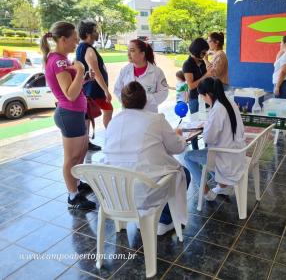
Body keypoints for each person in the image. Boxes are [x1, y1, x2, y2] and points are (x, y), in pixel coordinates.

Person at [104, 81, 190, 235]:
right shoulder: (155, 119)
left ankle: (139, 218)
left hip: (114, 191)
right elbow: (177, 147)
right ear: (145, 100)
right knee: (184, 173)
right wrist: (179, 136)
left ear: (123, 101)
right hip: (144, 190)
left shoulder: (113, 123)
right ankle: (163, 220)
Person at [40, 21, 95, 210]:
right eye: (74, 40)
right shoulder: (58, 61)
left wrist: (84, 76)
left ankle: (77, 185)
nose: (76, 44)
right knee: (71, 158)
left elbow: (72, 87)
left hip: (76, 113)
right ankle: (73, 196)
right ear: (63, 39)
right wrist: (80, 70)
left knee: (80, 152)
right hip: (69, 114)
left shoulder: (61, 60)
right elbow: (70, 95)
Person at [184, 77, 246, 201]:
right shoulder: (228, 101)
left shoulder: (218, 109)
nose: (202, 99)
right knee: (206, 154)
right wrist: (209, 124)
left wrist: (206, 126)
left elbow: (208, 138)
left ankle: (206, 192)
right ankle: (223, 185)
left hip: (226, 157)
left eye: (202, 96)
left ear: (207, 94)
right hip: (236, 152)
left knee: (187, 157)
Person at [76, 20, 113, 151]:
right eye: (95, 31)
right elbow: (95, 72)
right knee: (99, 112)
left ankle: (87, 142)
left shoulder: (82, 48)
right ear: (88, 34)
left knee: (92, 115)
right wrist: (106, 91)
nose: (97, 33)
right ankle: (108, 137)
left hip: (90, 89)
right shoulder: (88, 49)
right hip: (94, 90)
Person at [114, 39, 168, 113]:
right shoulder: (124, 70)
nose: (128, 54)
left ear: (142, 54)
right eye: (128, 50)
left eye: (132, 51)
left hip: (149, 114)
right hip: (129, 113)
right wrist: (128, 101)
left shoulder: (156, 72)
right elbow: (117, 90)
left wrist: (144, 99)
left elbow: (164, 92)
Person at [182, 38, 210, 149]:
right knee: (195, 126)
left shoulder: (203, 63)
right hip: (194, 98)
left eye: (206, 52)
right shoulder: (188, 64)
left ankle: (208, 149)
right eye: (203, 52)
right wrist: (206, 75)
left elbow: (212, 73)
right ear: (197, 51)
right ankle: (195, 149)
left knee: (208, 124)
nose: (205, 54)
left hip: (206, 97)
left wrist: (207, 62)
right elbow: (191, 85)